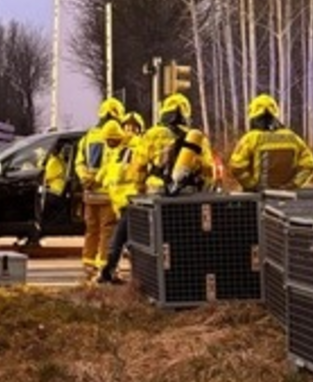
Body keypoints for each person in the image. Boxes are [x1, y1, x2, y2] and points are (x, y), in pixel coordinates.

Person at [75, 98, 126, 276]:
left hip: (90, 193)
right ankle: (105, 265)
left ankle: (88, 263)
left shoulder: (88, 137)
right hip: (107, 193)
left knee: (91, 229)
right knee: (108, 230)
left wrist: (85, 179)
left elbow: (79, 162)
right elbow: (115, 165)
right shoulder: (117, 137)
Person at [229, 94, 313, 192]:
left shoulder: (251, 138)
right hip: (287, 197)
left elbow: (236, 166)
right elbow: (310, 166)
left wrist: (252, 186)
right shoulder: (294, 138)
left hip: (258, 197)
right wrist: (293, 185)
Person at [131, 93, 216, 195]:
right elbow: (208, 170)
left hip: (157, 194)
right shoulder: (198, 139)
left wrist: (139, 190)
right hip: (188, 196)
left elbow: (138, 168)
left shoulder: (152, 134)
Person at [97, 112, 146, 285]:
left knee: (120, 239)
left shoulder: (134, 149)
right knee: (128, 240)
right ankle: (116, 274)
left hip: (130, 201)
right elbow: (109, 173)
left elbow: (126, 174)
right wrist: (99, 179)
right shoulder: (118, 150)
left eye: (111, 140)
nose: (109, 144)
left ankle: (109, 272)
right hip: (123, 202)